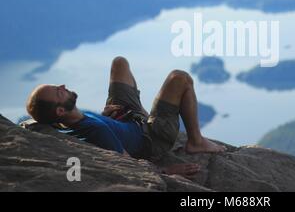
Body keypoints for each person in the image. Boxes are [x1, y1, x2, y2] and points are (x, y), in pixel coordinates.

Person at [26, 56, 225, 179]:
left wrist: (107, 118)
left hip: (124, 119)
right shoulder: (96, 130)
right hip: (152, 137)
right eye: (58, 92)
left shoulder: (69, 121)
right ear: (60, 111)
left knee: (119, 63)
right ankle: (196, 141)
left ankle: (144, 116)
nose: (62, 86)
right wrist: (167, 170)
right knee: (180, 78)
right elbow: (127, 163)